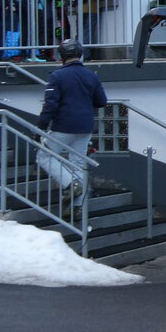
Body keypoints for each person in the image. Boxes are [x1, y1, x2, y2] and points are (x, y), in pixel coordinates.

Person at [35, 39, 108, 218]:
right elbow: (101, 101)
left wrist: (40, 128)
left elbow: (50, 105)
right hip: (85, 126)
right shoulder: (91, 76)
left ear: (62, 55)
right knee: (77, 164)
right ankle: (77, 207)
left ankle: (70, 184)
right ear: (80, 54)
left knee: (44, 156)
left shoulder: (57, 76)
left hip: (64, 125)